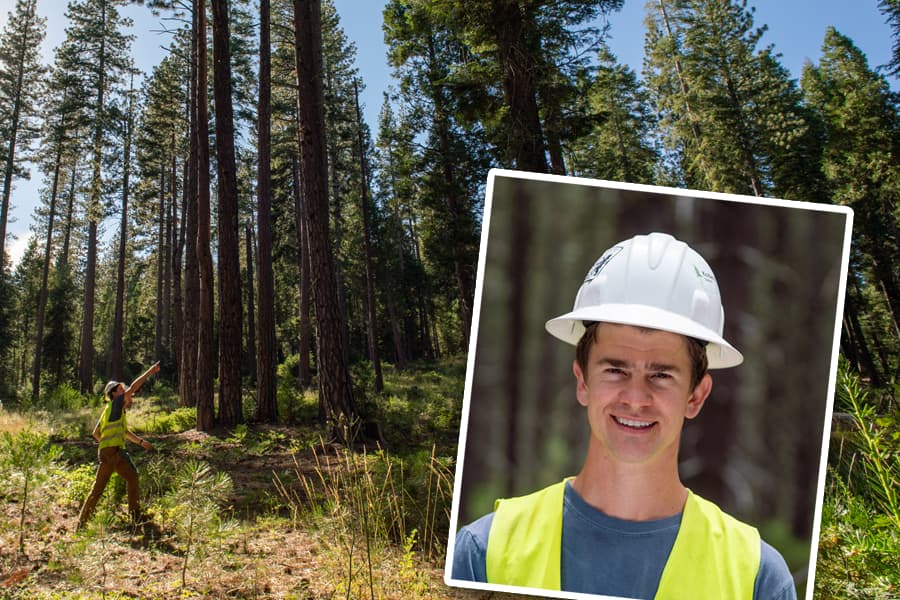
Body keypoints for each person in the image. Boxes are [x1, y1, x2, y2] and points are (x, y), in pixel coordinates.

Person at [451, 233, 797, 599]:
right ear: (583, 382)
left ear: (696, 396)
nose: (635, 398)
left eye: (661, 375)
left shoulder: (757, 576)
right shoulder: (485, 552)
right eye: (615, 370)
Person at [77, 361, 161, 529]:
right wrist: (149, 372)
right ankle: (135, 518)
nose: (126, 393)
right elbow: (135, 388)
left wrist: (141, 442)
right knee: (128, 479)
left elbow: (97, 433)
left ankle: (82, 524)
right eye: (122, 390)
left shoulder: (110, 411)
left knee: (108, 486)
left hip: (109, 454)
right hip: (113, 454)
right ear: (114, 394)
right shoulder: (116, 404)